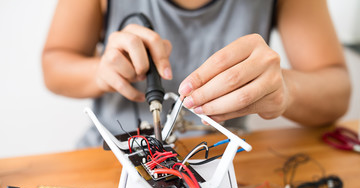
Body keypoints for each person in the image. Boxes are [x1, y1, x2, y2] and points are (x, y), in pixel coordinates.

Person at [42, 0, 351, 147]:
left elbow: (337, 92)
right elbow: (53, 66)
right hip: (108, 155)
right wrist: (100, 73)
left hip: (221, 158)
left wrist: (287, 90)